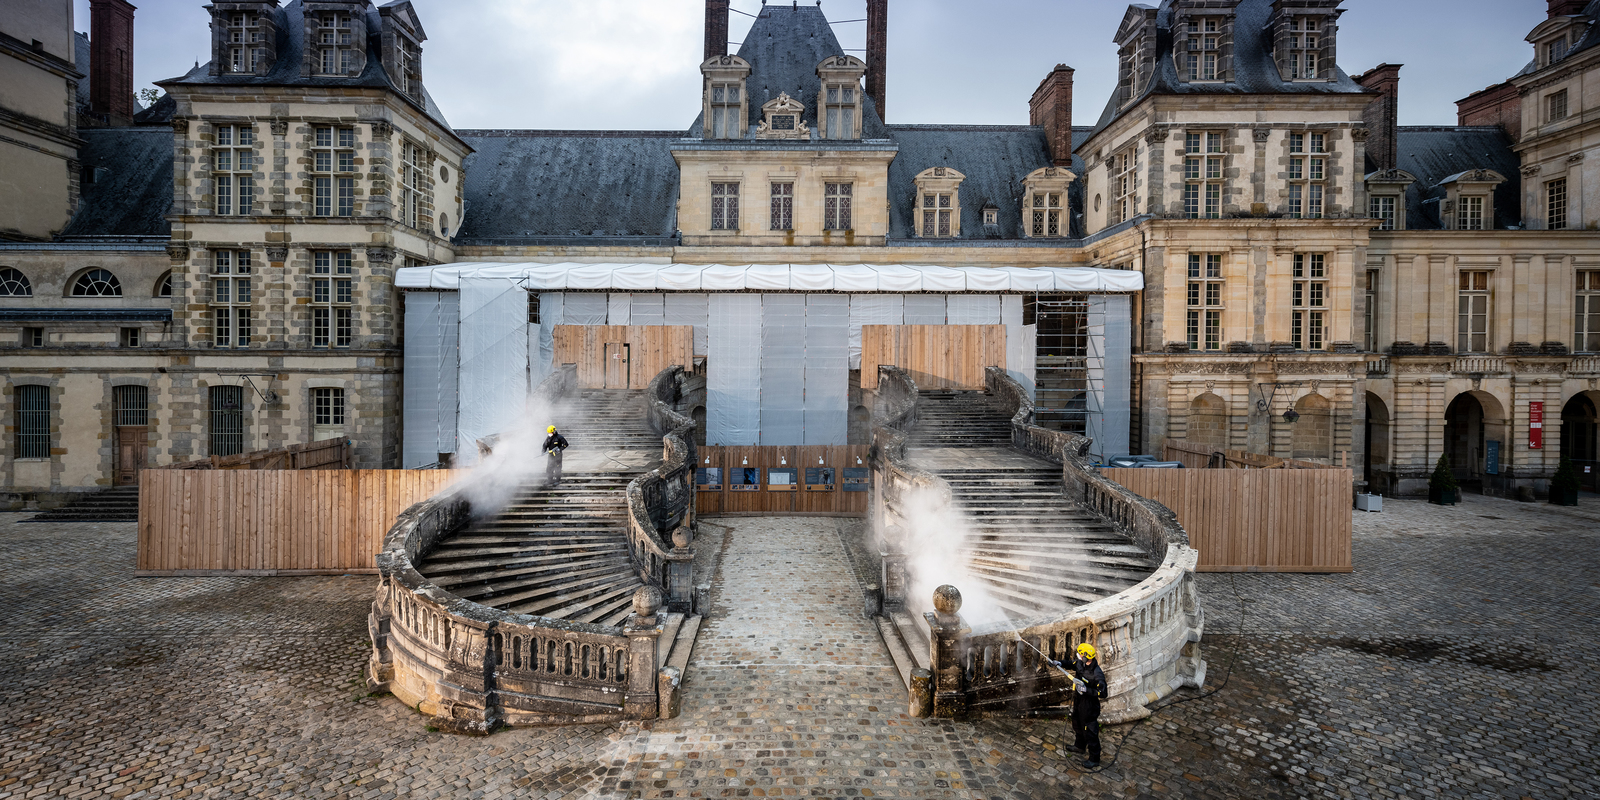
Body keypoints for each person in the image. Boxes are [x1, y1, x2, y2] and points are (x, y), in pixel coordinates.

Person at [1069, 642, 1108, 767]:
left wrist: (1087, 690)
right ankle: (1079, 746)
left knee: (1090, 731)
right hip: (1079, 701)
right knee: (1077, 723)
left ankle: (1094, 758)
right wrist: (1059, 663)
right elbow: (1072, 664)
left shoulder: (1097, 673)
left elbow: (1103, 693)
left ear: (1086, 657)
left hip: (1090, 706)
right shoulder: (1081, 664)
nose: (1078, 656)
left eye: (1080, 654)